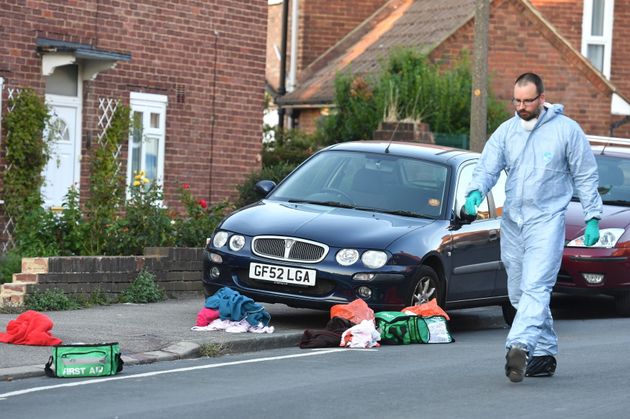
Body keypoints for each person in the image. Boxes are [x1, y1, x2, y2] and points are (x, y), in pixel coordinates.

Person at [464, 73, 603, 383]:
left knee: (536, 287)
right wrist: (475, 192)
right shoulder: (506, 132)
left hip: (547, 221)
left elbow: (585, 175)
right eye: (517, 101)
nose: (522, 106)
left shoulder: (566, 132)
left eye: (528, 101)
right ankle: (545, 352)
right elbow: (487, 167)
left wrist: (593, 216)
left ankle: (520, 346)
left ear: (542, 98)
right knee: (518, 291)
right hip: (514, 221)